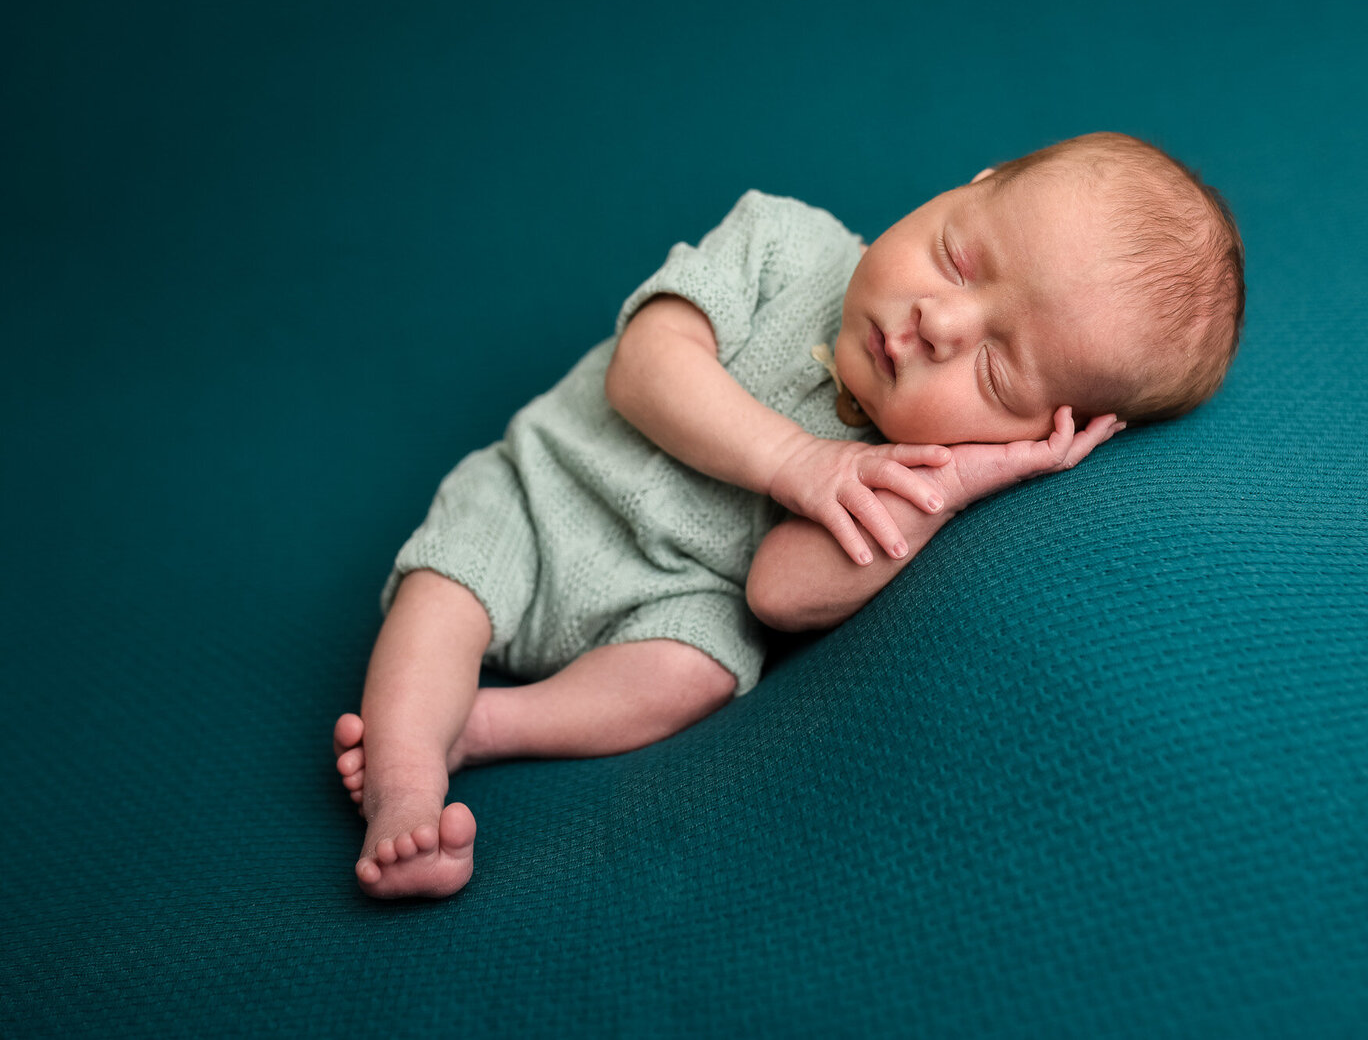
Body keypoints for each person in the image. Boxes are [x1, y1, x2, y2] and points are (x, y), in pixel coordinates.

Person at [331, 131, 1245, 898]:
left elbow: (778, 593)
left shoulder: (918, 465)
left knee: (697, 670)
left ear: (1047, 426)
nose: (939, 322)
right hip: (539, 494)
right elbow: (644, 367)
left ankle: (490, 725)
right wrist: (794, 460)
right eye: (959, 258)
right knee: (445, 593)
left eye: (995, 371)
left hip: (669, 600)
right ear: (968, 187)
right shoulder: (783, 240)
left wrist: (960, 482)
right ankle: (407, 791)